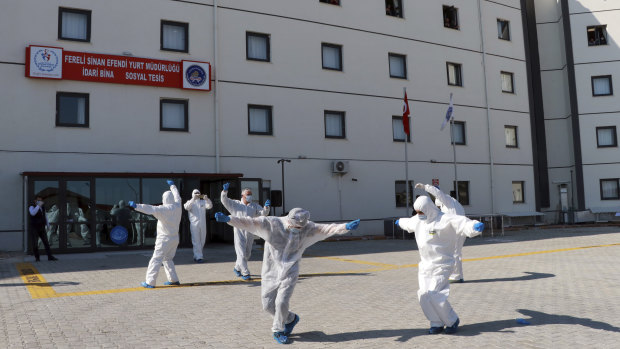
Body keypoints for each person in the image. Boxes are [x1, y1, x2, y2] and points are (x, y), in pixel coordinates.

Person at [214, 208, 360, 344]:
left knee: (281, 302)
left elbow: (326, 229)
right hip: (271, 269)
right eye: (295, 227)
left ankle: (278, 329)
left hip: (291, 269)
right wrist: (229, 219)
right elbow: (250, 222)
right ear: (289, 220)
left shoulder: (307, 228)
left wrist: (345, 227)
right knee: (267, 305)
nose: (297, 230)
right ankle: (290, 318)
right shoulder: (272, 224)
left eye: (300, 228)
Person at [396, 196, 484, 335]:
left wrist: (474, 227)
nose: (419, 214)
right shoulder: (418, 220)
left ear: (428, 209)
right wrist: (399, 222)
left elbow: (462, 223)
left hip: (442, 264)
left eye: (421, 212)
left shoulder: (445, 219)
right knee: (423, 295)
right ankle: (436, 322)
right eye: (417, 212)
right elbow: (408, 223)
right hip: (425, 266)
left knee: (435, 293)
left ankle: (452, 320)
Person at [129, 180, 182, 288]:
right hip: (175, 238)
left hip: (164, 239)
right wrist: (173, 185)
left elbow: (150, 208)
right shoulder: (178, 206)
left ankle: (150, 282)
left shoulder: (163, 209)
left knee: (156, 259)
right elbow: (177, 196)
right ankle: (173, 279)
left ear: (164, 199)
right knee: (168, 259)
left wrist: (136, 206)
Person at [416, 183, 467, 283]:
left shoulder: (446, 200)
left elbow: (437, 193)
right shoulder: (452, 203)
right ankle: (457, 275)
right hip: (458, 228)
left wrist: (425, 187)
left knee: (454, 253)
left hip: (455, 230)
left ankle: (456, 276)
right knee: (455, 252)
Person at [220, 183, 270, 280]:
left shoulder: (254, 205)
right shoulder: (235, 204)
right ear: (242, 195)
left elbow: (263, 214)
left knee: (247, 253)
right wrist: (224, 192)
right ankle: (245, 272)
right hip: (239, 229)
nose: (250, 196)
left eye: (251, 194)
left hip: (250, 229)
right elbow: (224, 200)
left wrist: (266, 208)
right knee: (241, 252)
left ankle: (237, 267)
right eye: (248, 194)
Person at [184, 189, 213, 263]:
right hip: (194, 225)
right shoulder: (190, 202)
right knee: (196, 241)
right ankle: (199, 257)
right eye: (195, 193)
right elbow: (186, 207)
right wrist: (193, 199)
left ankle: (197, 255)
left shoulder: (203, 202)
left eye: (198, 193)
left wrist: (207, 199)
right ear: (193, 194)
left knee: (202, 240)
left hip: (203, 224)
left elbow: (210, 206)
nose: (197, 194)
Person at [28, 196, 58, 262]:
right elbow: (33, 213)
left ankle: (50, 256)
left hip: (42, 228)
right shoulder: (31, 207)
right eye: (38, 200)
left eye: (41, 200)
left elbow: (45, 216)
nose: (40, 202)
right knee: (35, 244)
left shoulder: (43, 208)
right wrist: (38, 206)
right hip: (34, 228)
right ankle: (37, 258)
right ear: (35, 201)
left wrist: (48, 225)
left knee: (46, 243)